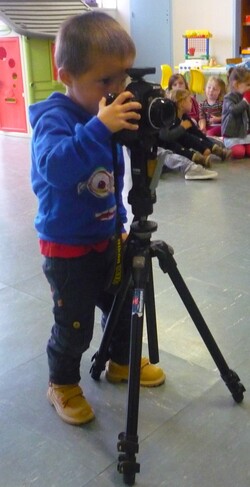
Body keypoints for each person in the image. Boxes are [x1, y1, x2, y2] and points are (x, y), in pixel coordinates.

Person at [29, 11, 165, 426]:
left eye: (121, 78)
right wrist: (99, 129)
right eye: (105, 81)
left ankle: (121, 362)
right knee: (74, 324)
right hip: (68, 247)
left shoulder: (104, 114)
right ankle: (63, 382)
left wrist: (121, 223)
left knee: (123, 307)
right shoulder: (54, 119)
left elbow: (113, 178)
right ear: (65, 74)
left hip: (110, 235)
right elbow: (55, 167)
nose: (117, 90)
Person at [158, 88, 230, 167]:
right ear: (181, 103)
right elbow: (167, 137)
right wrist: (182, 128)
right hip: (167, 144)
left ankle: (216, 150)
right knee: (182, 138)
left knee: (194, 136)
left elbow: (196, 132)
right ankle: (198, 158)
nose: (192, 103)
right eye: (189, 100)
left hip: (180, 140)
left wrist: (209, 145)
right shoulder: (169, 117)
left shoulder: (184, 117)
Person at [222, 67, 250, 159]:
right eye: (248, 85)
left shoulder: (245, 96)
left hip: (245, 133)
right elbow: (233, 110)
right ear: (236, 85)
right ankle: (225, 147)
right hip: (232, 134)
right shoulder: (228, 98)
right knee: (239, 153)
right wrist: (245, 102)